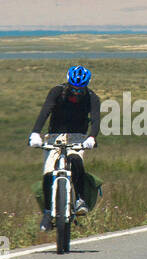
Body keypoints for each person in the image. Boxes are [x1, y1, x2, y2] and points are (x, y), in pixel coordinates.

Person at [29, 65, 100, 231]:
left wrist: (92, 137)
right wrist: (35, 133)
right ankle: (47, 212)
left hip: (78, 136)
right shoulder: (56, 91)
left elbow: (96, 120)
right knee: (48, 172)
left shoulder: (92, 97)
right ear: (68, 83)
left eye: (80, 89)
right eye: (73, 89)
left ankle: (80, 198)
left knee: (76, 160)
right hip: (54, 136)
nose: (76, 93)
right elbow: (45, 111)